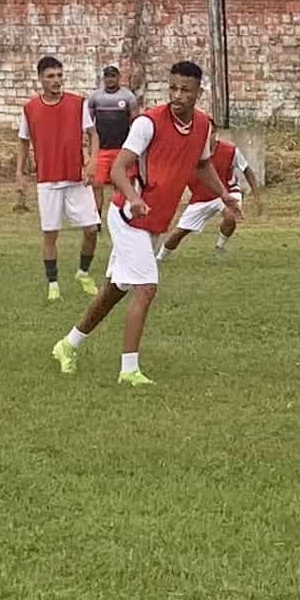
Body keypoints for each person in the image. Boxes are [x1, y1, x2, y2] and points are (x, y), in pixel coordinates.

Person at [51, 61, 241, 386]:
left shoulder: (201, 125)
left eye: (185, 90)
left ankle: (68, 344)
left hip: (153, 220)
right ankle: (129, 370)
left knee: (115, 289)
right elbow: (117, 169)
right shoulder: (147, 123)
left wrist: (224, 195)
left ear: (198, 92)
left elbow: (202, 165)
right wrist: (134, 197)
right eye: (173, 88)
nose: (177, 95)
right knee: (147, 287)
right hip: (128, 216)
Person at [16, 55, 99, 302]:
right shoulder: (30, 109)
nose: (56, 80)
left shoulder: (78, 103)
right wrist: (20, 172)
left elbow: (93, 134)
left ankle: (83, 273)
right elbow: (23, 141)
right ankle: (53, 284)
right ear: (40, 79)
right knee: (50, 234)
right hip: (47, 181)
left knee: (91, 230)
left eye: (59, 75)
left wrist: (93, 161)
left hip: (76, 178)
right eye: (51, 76)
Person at [156, 122, 262, 260]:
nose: (206, 137)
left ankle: (219, 247)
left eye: (209, 133)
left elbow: (246, 169)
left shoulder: (230, 151)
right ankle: (160, 258)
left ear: (215, 134)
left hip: (228, 191)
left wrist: (256, 195)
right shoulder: (187, 153)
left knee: (230, 216)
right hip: (201, 197)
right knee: (178, 233)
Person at [86, 64, 139, 214]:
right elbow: (89, 125)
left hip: (122, 150)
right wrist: (90, 147)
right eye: (107, 77)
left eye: (113, 76)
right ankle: (97, 217)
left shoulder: (128, 96)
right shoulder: (95, 97)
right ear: (104, 78)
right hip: (101, 149)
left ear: (118, 78)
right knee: (97, 184)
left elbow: (135, 123)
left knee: (121, 184)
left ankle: (119, 214)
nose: (110, 80)